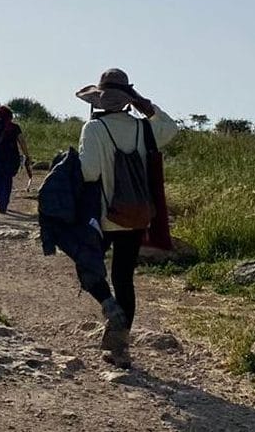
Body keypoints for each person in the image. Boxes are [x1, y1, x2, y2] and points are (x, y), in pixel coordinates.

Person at [75, 68, 178, 368]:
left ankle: (108, 306)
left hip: (104, 217)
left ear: (98, 99)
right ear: (127, 99)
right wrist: (143, 104)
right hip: (136, 216)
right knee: (124, 278)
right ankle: (120, 350)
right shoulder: (143, 129)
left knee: (87, 262)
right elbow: (170, 128)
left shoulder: (93, 130)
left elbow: (89, 173)